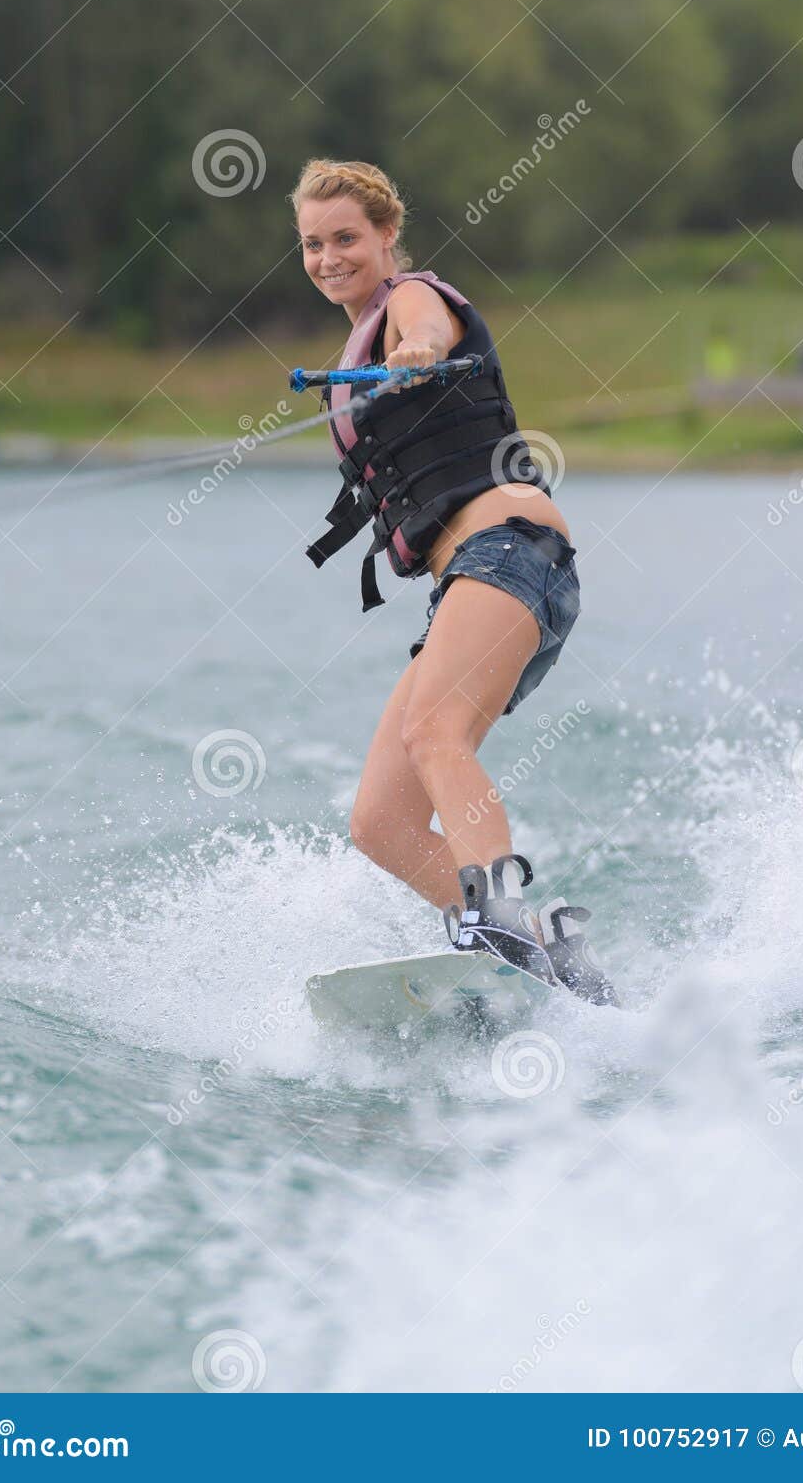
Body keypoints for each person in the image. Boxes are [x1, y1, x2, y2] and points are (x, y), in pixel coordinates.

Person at [291, 158, 616, 1003]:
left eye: (345, 238)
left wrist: (420, 352)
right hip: (475, 585)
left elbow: (426, 327)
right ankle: (549, 956)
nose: (328, 257)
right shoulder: (353, 348)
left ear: (385, 234)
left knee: (435, 731)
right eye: (312, 244)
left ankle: (494, 913)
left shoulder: (411, 299)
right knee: (381, 822)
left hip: (511, 552)